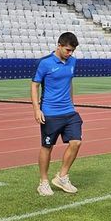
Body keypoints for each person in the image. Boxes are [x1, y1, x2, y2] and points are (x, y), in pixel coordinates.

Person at [31, 31, 82, 196]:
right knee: (47, 147)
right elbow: (34, 86)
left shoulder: (72, 61)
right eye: (67, 50)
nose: (70, 53)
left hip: (68, 111)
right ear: (59, 45)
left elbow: (69, 82)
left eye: (72, 51)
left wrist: (72, 104)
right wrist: (36, 109)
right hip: (50, 112)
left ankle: (62, 176)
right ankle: (43, 182)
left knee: (76, 142)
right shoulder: (45, 63)